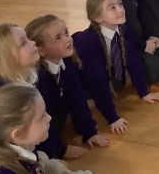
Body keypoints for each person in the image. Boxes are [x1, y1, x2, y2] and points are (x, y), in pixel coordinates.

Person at [72, 0, 159, 134]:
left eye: (120, 4)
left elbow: (133, 62)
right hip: (83, 80)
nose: (121, 10)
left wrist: (143, 92)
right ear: (97, 17)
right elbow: (97, 81)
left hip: (104, 74)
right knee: (86, 100)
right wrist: (112, 118)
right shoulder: (90, 43)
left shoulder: (124, 30)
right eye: (112, 8)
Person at [25, 15, 110, 160]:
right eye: (58, 38)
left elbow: (77, 97)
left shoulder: (67, 62)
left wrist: (90, 132)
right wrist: (61, 150)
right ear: (41, 51)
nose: (68, 39)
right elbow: (41, 118)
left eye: (66, 33)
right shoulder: (39, 80)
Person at [0, 82, 90, 174]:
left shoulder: (23, 147)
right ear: (18, 135)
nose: (49, 118)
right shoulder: (4, 170)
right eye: (42, 116)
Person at [0, 24, 39, 96]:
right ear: (6, 58)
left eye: (27, 38)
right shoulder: (2, 94)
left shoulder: (29, 75)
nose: (33, 42)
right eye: (23, 43)